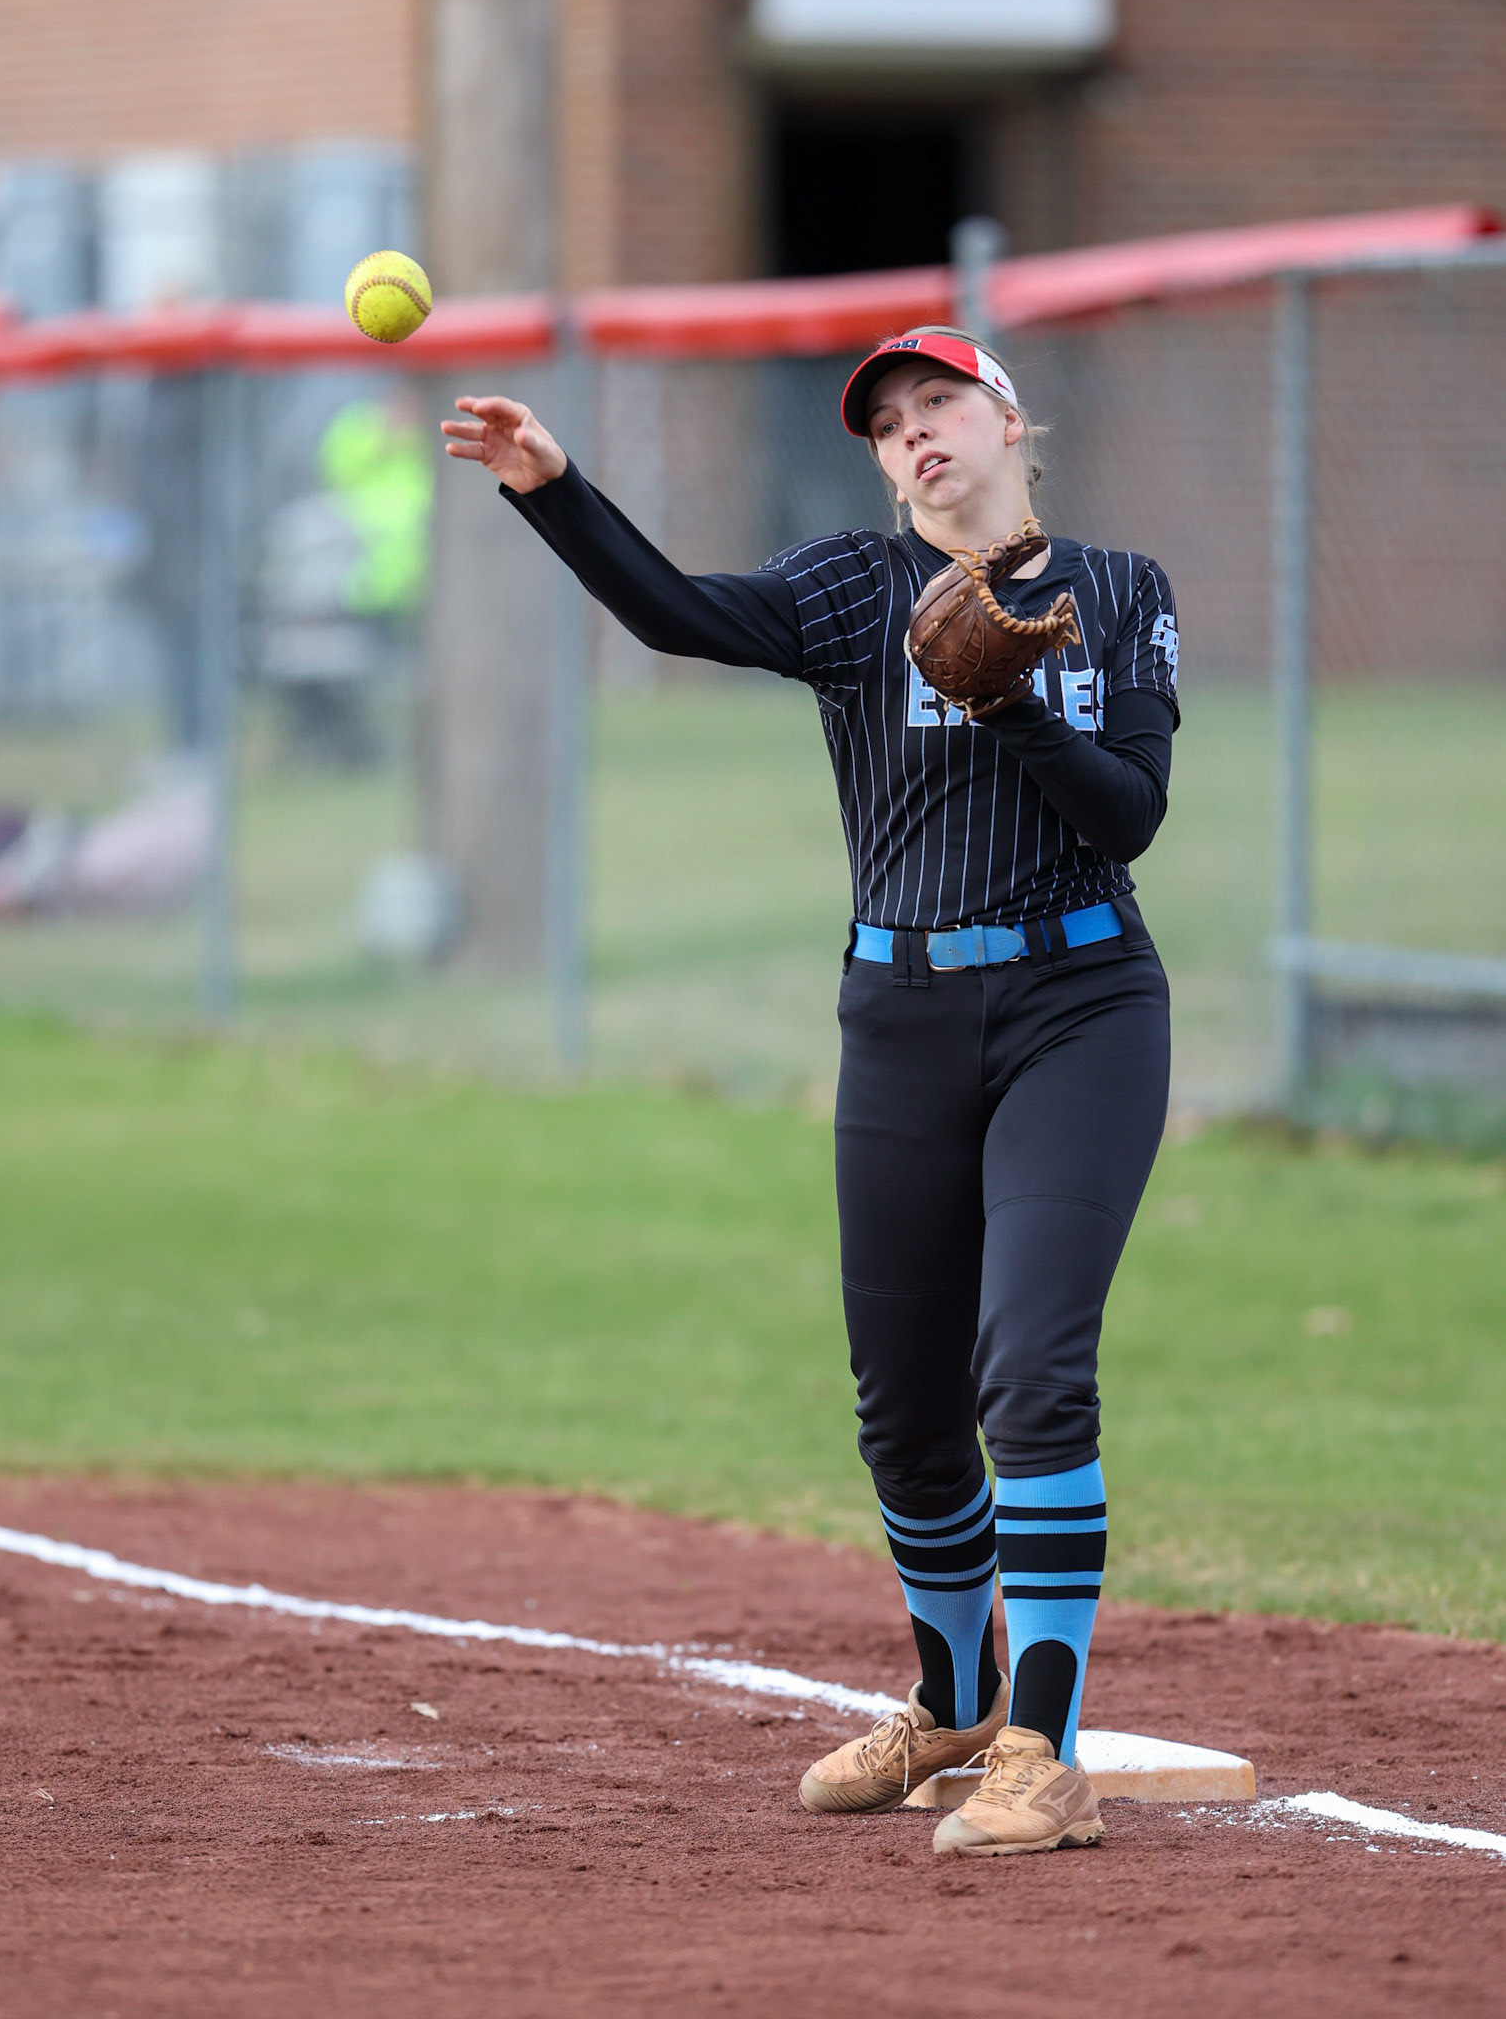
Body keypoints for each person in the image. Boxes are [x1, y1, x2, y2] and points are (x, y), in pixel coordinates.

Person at [441, 326, 1178, 1859]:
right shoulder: (857, 589)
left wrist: (1011, 702)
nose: (915, 434)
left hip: (1077, 1003)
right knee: (902, 1410)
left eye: (940, 403)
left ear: (1007, 417)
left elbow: (1130, 816)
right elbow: (680, 615)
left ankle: (1040, 1749)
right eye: (888, 422)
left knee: (1028, 1372)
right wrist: (551, 489)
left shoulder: (1117, 593)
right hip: (899, 1013)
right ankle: (949, 1699)